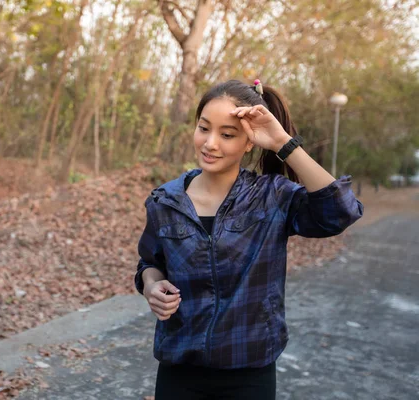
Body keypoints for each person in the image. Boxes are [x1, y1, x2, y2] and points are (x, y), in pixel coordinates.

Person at [134, 79, 363, 399]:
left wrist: (284, 142)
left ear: (249, 142)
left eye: (227, 134)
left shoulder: (272, 197)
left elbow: (340, 212)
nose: (210, 143)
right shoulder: (165, 201)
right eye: (204, 128)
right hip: (179, 369)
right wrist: (152, 285)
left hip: (249, 372)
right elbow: (150, 262)